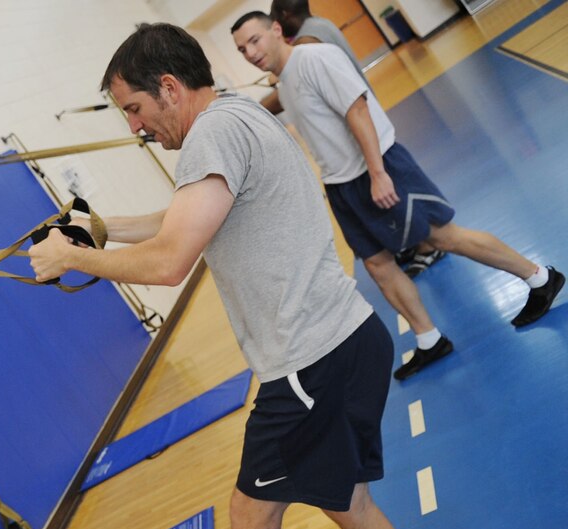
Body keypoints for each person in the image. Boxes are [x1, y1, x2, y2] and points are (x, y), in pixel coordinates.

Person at [28, 22, 464, 529]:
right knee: (350, 506)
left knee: (253, 512)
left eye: (136, 111)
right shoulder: (233, 118)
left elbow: (171, 262)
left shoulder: (212, 136)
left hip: (307, 367)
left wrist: (73, 257)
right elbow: (184, 220)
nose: (137, 128)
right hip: (348, 340)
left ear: (168, 88)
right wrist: (103, 228)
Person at [232, 12, 562, 379]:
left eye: (255, 40)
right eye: (242, 48)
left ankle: (540, 278)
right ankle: (429, 339)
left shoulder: (315, 59)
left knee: (442, 236)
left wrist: (377, 173)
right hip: (341, 182)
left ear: (276, 31)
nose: (250, 52)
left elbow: (357, 109)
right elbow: (283, 105)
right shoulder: (286, 78)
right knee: (377, 263)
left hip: (377, 167)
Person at [270, 0, 444, 277]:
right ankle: (419, 243)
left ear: (284, 17)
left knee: (396, 198)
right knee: (392, 204)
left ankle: (429, 244)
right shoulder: (321, 24)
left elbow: (309, 83)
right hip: (357, 120)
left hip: (359, 126)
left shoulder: (307, 43)